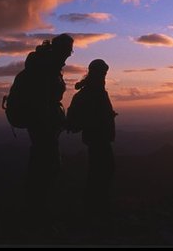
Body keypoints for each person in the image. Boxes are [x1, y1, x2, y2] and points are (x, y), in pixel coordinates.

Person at [24, 33, 74, 222]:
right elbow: (43, 101)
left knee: (42, 166)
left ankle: (36, 210)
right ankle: (37, 213)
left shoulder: (47, 65)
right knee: (46, 167)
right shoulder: (47, 67)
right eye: (69, 51)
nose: (69, 55)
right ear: (61, 49)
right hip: (43, 126)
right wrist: (48, 124)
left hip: (45, 125)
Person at [67, 59, 117, 216]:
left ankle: (95, 210)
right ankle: (97, 211)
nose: (104, 76)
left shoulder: (94, 91)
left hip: (98, 139)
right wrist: (101, 119)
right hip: (98, 140)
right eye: (103, 73)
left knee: (100, 173)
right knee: (101, 174)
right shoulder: (92, 93)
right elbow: (81, 120)